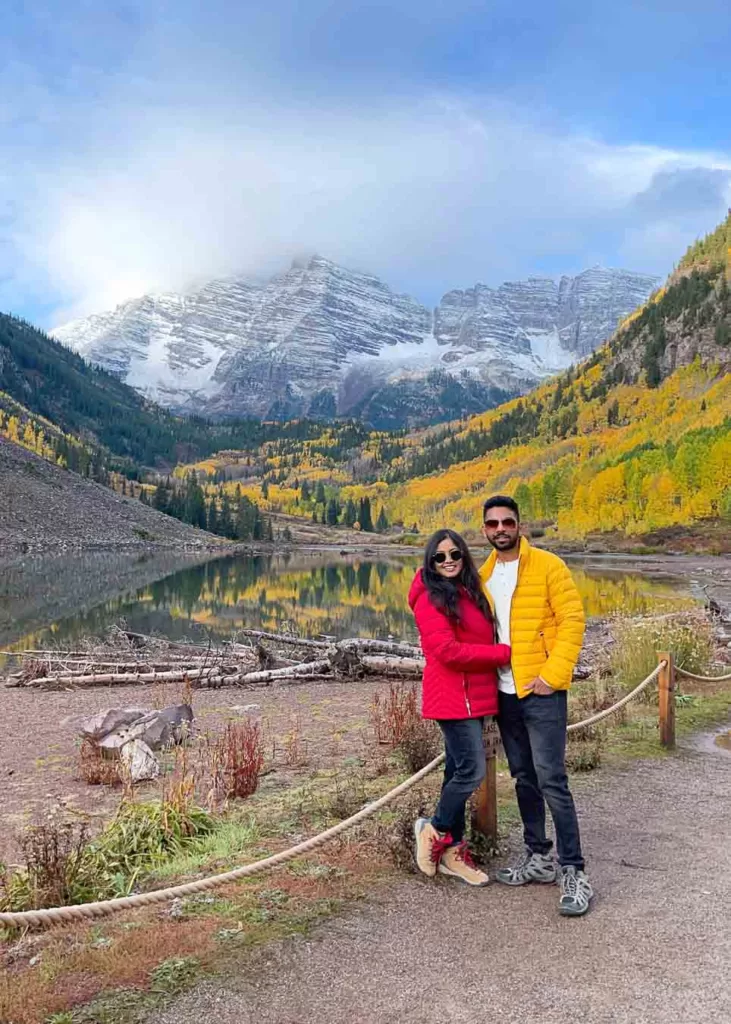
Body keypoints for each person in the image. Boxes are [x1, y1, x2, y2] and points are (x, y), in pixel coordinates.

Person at [478, 494, 592, 916]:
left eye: (508, 522)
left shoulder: (547, 566)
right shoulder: (483, 575)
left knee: (551, 780)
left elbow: (572, 620)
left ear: (519, 526)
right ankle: (539, 857)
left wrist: (553, 675)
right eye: (493, 524)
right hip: (504, 694)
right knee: (524, 777)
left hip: (541, 691)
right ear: (485, 530)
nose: (501, 529)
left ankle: (574, 870)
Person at [408, 529, 512, 886]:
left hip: (476, 697)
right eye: (440, 557)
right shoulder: (430, 599)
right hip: (453, 699)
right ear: (430, 562)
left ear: (465, 556)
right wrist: (502, 655)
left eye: (455, 554)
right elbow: (448, 652)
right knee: (471, 771)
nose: (449, 561)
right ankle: (433, 832)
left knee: (456, 773)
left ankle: (453, 854)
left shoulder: (471, 592)